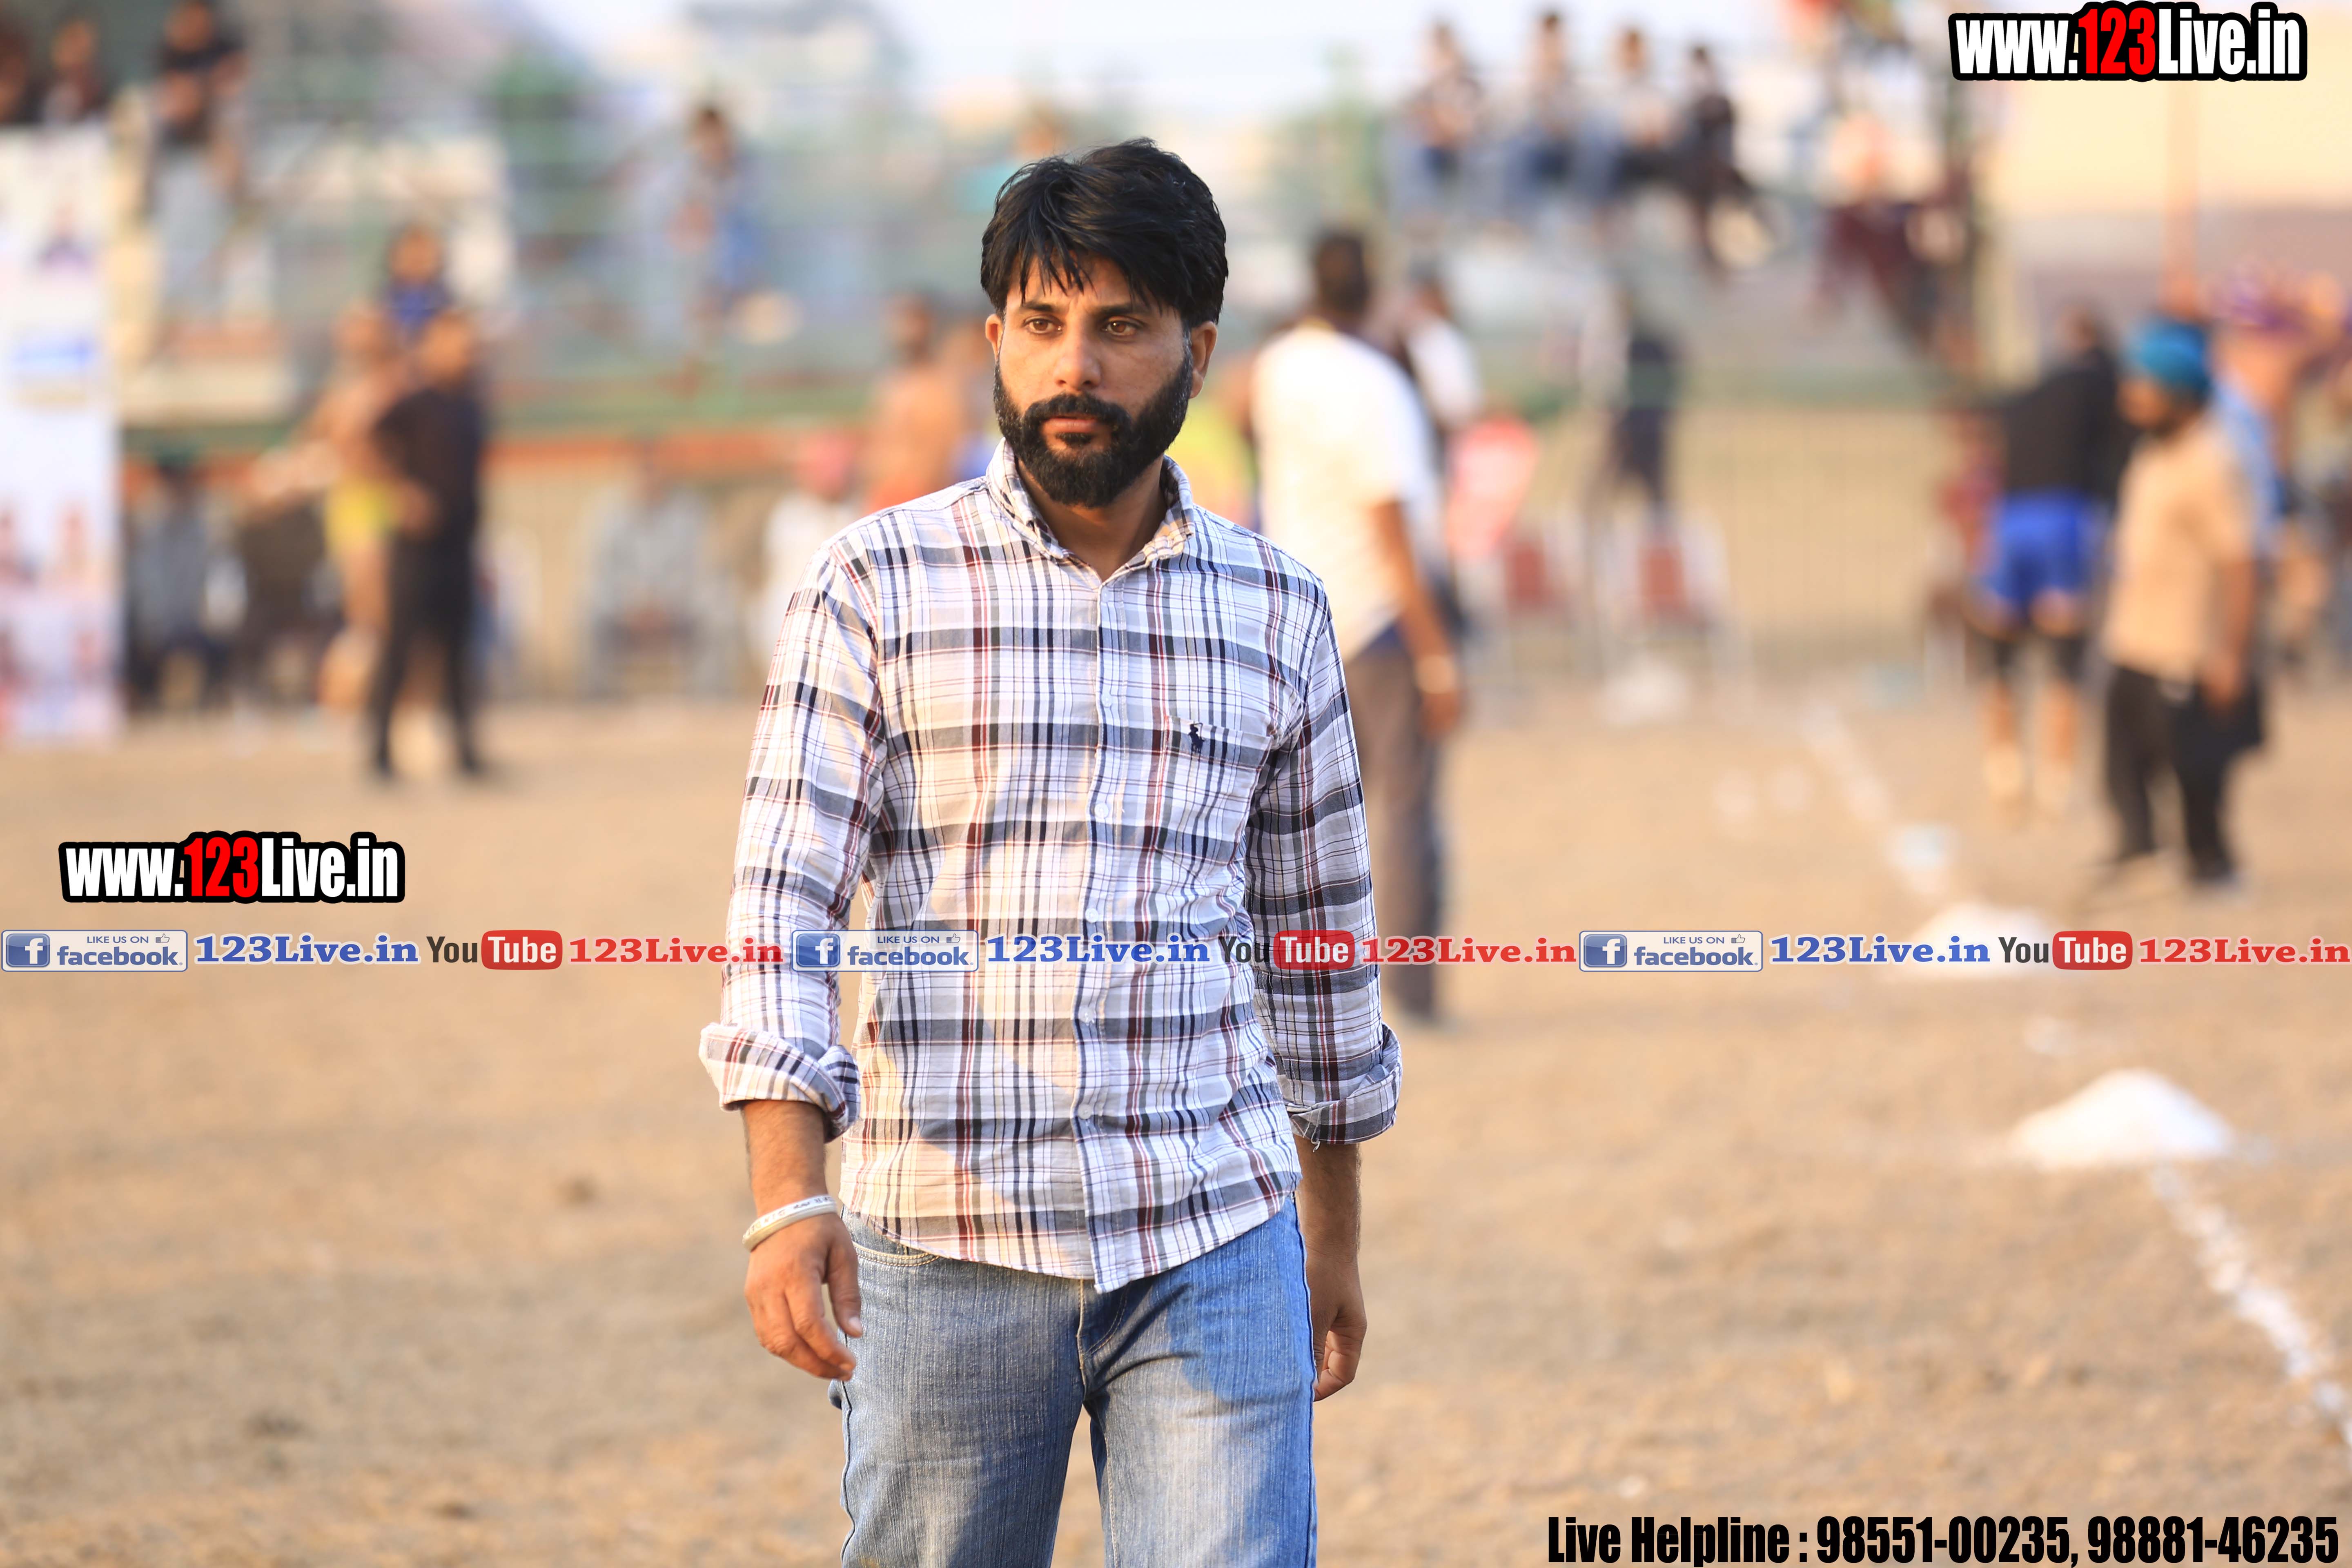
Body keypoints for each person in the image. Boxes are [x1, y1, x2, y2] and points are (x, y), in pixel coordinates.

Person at [700, 140, 1397, 1568]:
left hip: (1212, 1231)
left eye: (1121, 325)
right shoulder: (871, 587)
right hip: (944, 1239)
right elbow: (785, 905)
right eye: (1043, 322)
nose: (1075, 364)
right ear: (994, 342)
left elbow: (1318, 941)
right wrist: (786, 1196)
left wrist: (1331, 1227)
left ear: (1198, 352)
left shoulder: (1278, 611)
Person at [1253, 230, 1459, 1025]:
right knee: (1405, 811)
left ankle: (1305, 987)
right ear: (1371, 289)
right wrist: (1438, 657)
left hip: (1301, 616)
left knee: (1309, 825)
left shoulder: (1278, 366)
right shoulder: (1374, 382)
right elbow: (1392, 529)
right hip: (1378, 619)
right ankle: (1412, 990)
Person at [2097, 318, 2260, 895]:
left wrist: (2232, 654)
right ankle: (2138, 849)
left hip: (2186, 644)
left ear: (2180, 392)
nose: (2129, 399)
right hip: (2134, 636)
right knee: (2122, 761)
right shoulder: (2154, 452)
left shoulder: (2211, 463)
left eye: (2142, 387)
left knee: (2194, 767)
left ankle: (2212, 866)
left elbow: (2240, 563)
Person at [1973, 304, 2132, 819]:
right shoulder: (2105, 381)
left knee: (2000, 654)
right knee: (2065, 659)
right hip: (2065, 518)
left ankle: (2003, 772)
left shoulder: (2034, 389)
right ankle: (2057, 782)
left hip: (2009, 520)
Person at [368, 311, 488, 778]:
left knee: (459, 651)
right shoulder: (414, 404)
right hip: (417, 549)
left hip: (459, 544)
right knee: (400, 646)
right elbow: (369, 444)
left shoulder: (472, 406)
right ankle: (380, 750)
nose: (465, 355)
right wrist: (403, 493)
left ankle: (466, 750)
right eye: (456, 345)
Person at [579, 437, 732, 697]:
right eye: (643, 468)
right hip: (622, 612)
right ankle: (599, 705)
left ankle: (709, 703)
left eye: (655, 467)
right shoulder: (606, 514)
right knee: (588, 613)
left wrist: (666, 606)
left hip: (678, 610)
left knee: (721, 611)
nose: (649, 475)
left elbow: (705, 572)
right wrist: (632, 605)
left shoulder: (691, 511)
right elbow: (599, 574)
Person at [125, 451, 229, 708]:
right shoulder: (147, 524)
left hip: (198, 628)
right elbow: (146, 589)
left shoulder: (208, 522)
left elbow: (219, 585)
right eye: (173, 479)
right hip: (158, 631)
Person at [859, 291, 967, 509]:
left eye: (912, 321)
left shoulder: (942, 385)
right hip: (883, 497)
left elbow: (945, 455)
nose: (904, 330)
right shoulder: (892, 381)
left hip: (918, 501)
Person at [381, 223, 454, 344]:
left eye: (423, 258)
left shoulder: (446, 300)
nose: (416, 262)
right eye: (409, 256)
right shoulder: (384, 299)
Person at [40, 13, 111, 125]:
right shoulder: (32, 97)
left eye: (87, 47)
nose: (80, 55)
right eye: (73, 41)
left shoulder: (105, 100)